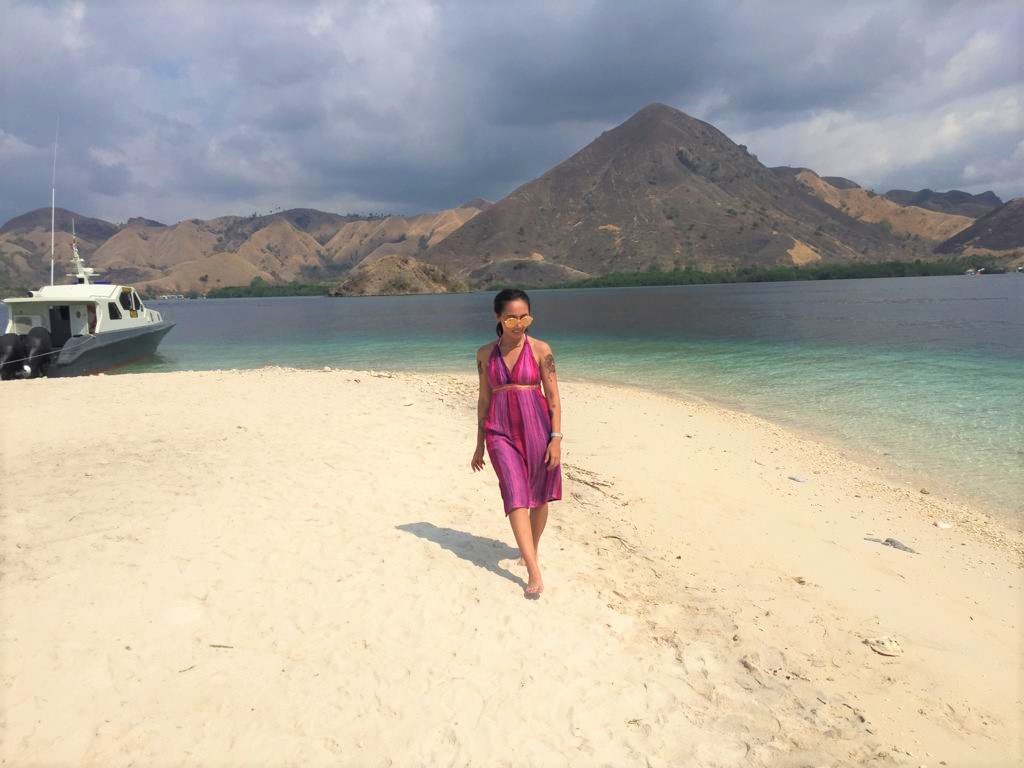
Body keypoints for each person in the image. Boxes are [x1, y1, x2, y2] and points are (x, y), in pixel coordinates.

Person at [471, 288, 562, 598]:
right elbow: (484, 400)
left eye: (525, 317)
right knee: (514, 493)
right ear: (498, 317)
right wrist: (480, 443)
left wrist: (556, 439)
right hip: (499, 431)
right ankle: (534, 570)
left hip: (537, 427)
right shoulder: (485, 354)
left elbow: (554, 399)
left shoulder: (540, 349)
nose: (519, 324)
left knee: (540, 497)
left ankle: (530, 549)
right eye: (511, 318)